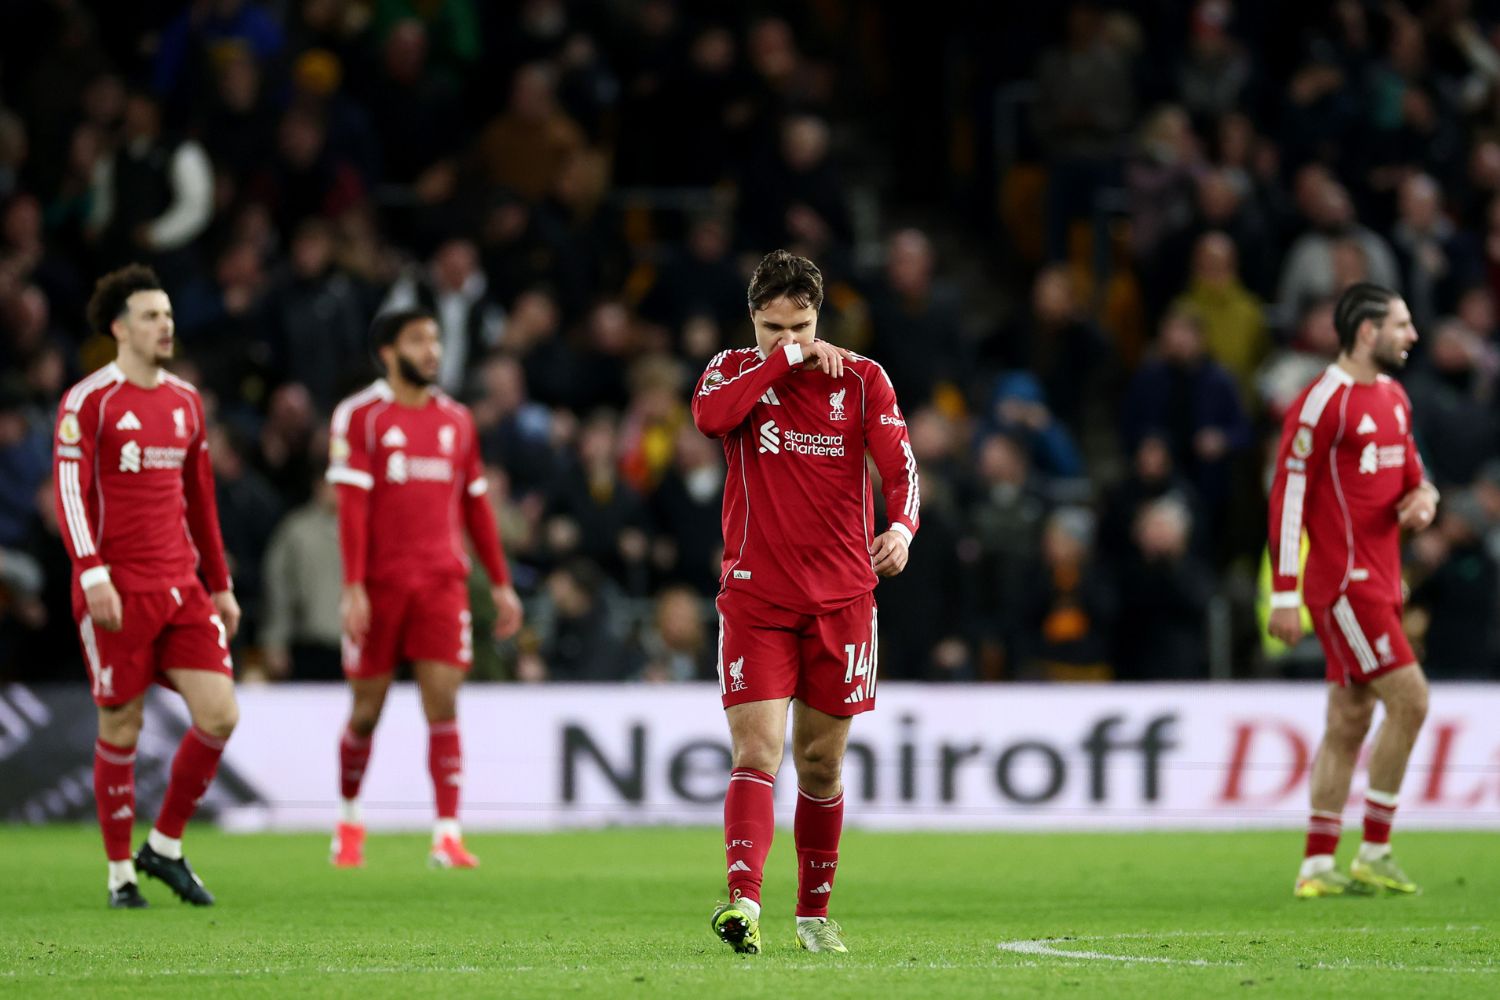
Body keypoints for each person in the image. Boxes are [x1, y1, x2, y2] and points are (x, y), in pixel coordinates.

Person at [692, 250, 919, 955]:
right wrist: (778, 363)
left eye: (800, 325)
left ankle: (814, 916)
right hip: (757, 599)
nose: (786, 338)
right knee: (756, 750)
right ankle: (743, 904)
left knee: (820, 764)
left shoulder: (861, 380)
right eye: (771, 326)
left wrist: (902, 528)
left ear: (822, 317)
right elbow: (709, 418)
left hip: (843, 601)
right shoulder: (734, 372)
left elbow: (900, 464)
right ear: (751, 320)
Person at [53, 265, 241, 909]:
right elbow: (70, 496)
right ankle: (119, 876)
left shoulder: (186, 402)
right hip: (117, 587)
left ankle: (162, 848)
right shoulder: (90, 401)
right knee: (123, 722)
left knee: (220, 713)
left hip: (181, 587)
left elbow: (201, 501)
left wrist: (220, 584)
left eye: (167, 314)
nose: (166, 325)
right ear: (119, 328)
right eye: (151, 316)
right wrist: (92, 570)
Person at [326, 308, 523, 869]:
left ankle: (447, 833)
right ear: (388, 351)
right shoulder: (360, 417)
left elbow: (477, 508)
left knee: (444, 704)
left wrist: (502, 585)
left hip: (441, 583)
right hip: (382, 586)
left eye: (435, 339)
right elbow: (351, 509)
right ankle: (348, 820)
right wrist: (353, 587)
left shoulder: (457, 420)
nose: (432, 350)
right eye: (419, 340)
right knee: (367, 712)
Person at [1266, 282, 1438, 899]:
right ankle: (1376, 847)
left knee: (1348, 719)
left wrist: (1424, 500)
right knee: (1411, 700)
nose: (1412, 336)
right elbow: (1287, 501)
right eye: (1401, 324)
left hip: (1386, 579)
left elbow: (1416, 479)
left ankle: (1317, 864)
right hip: (1345, 584)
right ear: (1367, 333)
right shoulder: (1320, 404)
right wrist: (1284, 593)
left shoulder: (1393, 396)